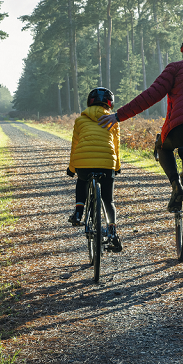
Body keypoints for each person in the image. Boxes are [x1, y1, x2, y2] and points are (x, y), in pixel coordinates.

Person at [98, 36, 183, 249]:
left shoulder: (175, 68)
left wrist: (119, 116)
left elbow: (151, 95)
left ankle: (177, 186)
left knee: (163, 146)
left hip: (182, 127)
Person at [66, 87, 123, 252]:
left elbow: (74, 146)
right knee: (108, 200)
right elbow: (116, 147)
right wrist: (117, 167)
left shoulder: (79, 120)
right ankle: (112, 230)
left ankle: (78, 212)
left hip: (83, 163)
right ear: (110, 103)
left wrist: (72, 168)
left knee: (82, 180)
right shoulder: (113, 120)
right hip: (107, 164)